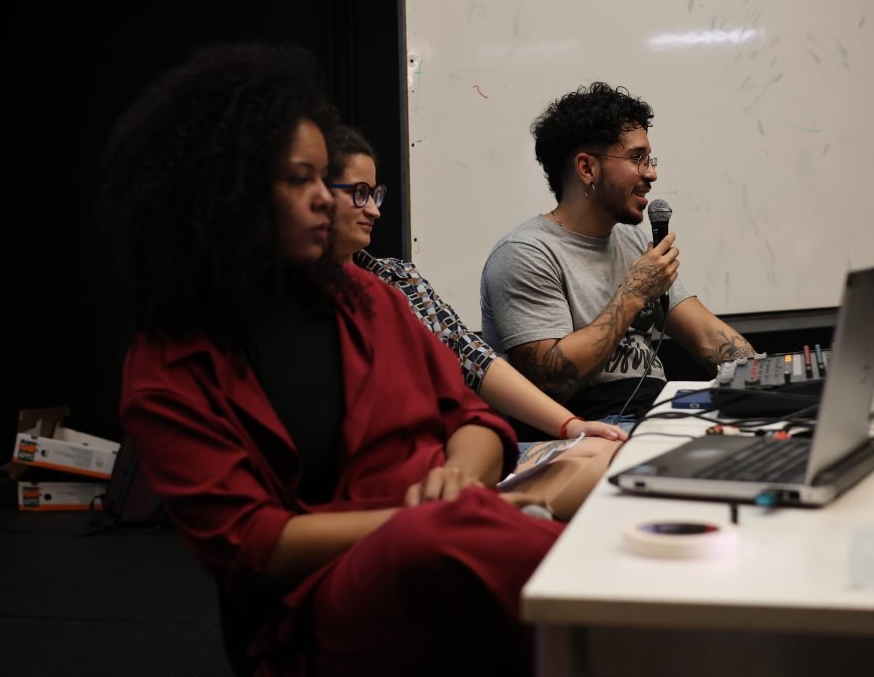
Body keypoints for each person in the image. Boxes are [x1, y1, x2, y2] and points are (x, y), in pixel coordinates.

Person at [98, 42, 562, 677]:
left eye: (325, 178)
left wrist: (459, 476)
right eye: (299, 180)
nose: (327, 199)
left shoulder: (369, 297)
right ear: (224, 190)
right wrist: (428, 517)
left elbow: (471, 419)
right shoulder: (170, 367)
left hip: (451, 542)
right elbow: (254, 547)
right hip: (313, 615)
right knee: (445, 543)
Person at [325, 123, 626, 445]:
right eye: (359, 194)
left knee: (596, 454)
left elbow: (472, 357)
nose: (373, 210)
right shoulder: (524, 251)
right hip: (396, 452)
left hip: (445, 445)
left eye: (374, 195)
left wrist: (569, 426)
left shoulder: (397, 278)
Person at [481, 82, 754, 426]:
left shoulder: (632, 240)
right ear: (587, 169)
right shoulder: (526, 253)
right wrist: (635, 292)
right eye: (637, 159)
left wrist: (765, 378)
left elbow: (704, 336)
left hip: (655, 412)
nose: (651, 173)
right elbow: (551, 382)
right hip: (586, 428)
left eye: (649, 160)